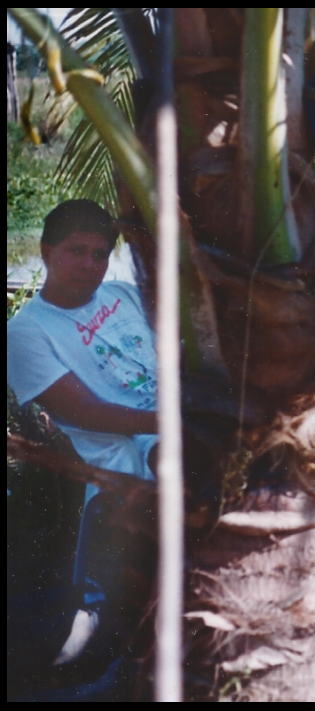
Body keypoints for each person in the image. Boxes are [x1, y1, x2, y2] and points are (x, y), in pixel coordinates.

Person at [7, 199, 159, 665]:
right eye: (76, 251)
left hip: (174, 437)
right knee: (97, 623)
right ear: (46, 251)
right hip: (118, 471)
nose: (89, 265)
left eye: (99, 253)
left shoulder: (122, 293)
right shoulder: (25, 332)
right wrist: (176, 421)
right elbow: (86, 411)